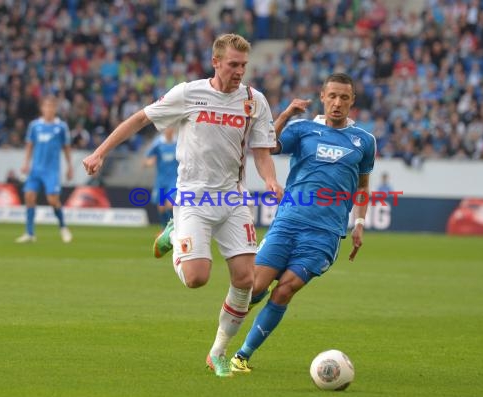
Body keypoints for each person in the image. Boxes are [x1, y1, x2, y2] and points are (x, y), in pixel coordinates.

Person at [82, 34, 282, 378]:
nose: (239, 72)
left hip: (233, 198)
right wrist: (101, 151)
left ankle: (218, 353)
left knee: (246, 279)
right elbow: (140, 119)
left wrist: (270, 180)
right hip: (193, 195)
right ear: (215, 62)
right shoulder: (189, 93)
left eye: (243, 66)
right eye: (233, 64)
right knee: (196, 278)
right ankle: (174, 235)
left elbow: (261, 152)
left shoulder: (254, 101)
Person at [230, 73, 376, 372]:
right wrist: (285, 114)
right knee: (255, 287)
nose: (337, 103)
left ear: (352, 101)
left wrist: (359, 222)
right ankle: (221, 341)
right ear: (323, 97)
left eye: (344, 97)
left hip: (325, 233)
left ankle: (242, 356)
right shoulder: (303, 129)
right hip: (288, 222)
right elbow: (266, 146)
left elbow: (362, 186)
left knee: (284, 290)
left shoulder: (364, 141)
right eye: (332, 96)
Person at [15, 95, 74, 243]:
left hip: (51, 170)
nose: (48, 109)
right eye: (46, 106)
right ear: (42, 108)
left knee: (53, 200)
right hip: (36, 169)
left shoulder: (61, 127)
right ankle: (30, 233)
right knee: (29, 196)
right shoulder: (35, 125)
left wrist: (69, 166)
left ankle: (63, 227)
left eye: (51, 106)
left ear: (55, 109)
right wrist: (25, 163)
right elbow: (29, 145)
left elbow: (66, 148)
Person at [143, 127, 179, 229]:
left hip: (174, 179)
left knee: (170, 205)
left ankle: (174, 229)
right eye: (167, 128)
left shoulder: (178, 143)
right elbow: (147, 159)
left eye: (171, 128)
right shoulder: (158, 143)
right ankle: (164, 229)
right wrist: (149, 162)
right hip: (161, 180)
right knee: (162, 208)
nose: (169, 130)